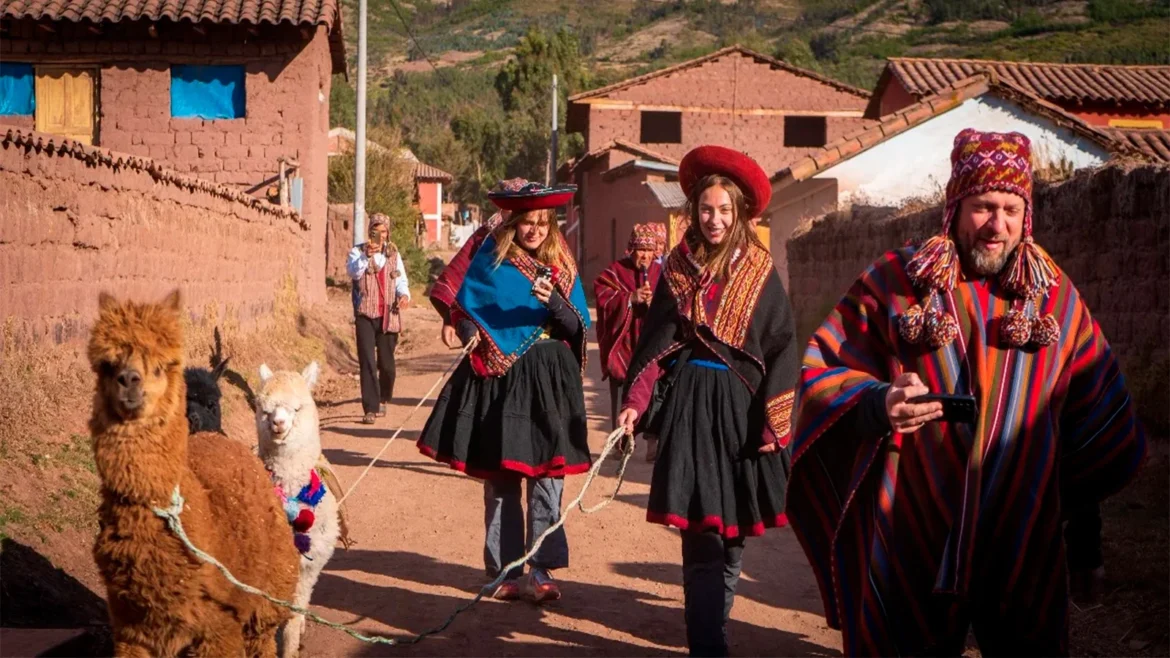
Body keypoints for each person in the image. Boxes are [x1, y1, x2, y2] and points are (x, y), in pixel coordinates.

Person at [787, 129, 1147, 656]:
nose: (996, 225)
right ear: (955, 206)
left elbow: (1091, 426)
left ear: (1027, 214)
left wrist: (1082, 541)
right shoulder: (895, 283)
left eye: (1009, 208)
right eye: (982, 207)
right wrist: (878, 401)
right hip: (910, 530)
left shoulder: (1055, 301)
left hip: (1023, 541)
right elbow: (822, 373)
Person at [616, 146, 799, 657]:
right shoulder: (676, 268)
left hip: (741, 416)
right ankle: (708, 644)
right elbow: (656, 343)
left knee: (732, 538)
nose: (714, 219)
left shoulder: (760, 272)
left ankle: (712, 625)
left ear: (739, 212)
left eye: (723, 210)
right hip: (692, 412)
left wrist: (774, 421)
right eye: (705, 209)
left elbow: (783, 346)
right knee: (700, 536)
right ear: (693, 211)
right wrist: (635, 401)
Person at [417, 179, 591, 603]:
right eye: (526, 222)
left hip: (550, 379)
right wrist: (469, 329)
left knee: (548, 476)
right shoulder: (491, 261)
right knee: (502, 477)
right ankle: (504, 572)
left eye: (541, 223)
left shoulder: (562, 266)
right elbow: (463, 308)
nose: (533, 231)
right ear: (513, 223)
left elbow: (576, 327)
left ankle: (543, 568)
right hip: (503, 378)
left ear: (550, 224)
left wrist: (554, 302)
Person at [594, 223, 663, 462]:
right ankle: (620, 442)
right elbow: (603, 297)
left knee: (655, 390)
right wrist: (630, 298)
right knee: (623, 391)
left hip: (651, 342)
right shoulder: (615, 272)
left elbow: (674, 304)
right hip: (623, 344)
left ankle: (653, 442)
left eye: (649, 250)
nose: (644, 256)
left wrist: (655, 303)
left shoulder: (661, 274)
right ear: (630, 249)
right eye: (639, 250)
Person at [346, 213, 410, 425]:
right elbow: (354, 273)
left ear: (388, 233)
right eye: (376, 231)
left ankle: (383, 396)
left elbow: (400, 279)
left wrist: (404, 295)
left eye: (383, 232)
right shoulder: (357, 251)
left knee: (388, 365)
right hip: (365, 313)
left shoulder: (393, 253)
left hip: (388, 315)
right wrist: (366, 256)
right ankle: (370, 408)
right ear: (369, 232)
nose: (380, 236)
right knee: (367, 361)